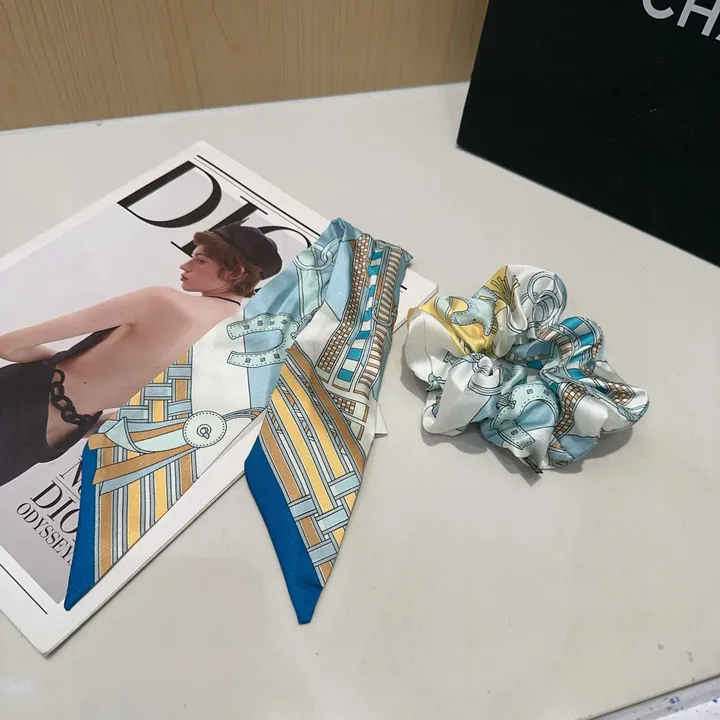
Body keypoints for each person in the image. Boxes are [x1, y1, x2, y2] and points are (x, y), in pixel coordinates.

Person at [0, 223, 282, 488]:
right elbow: (138, 422)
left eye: (200, 260)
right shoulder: (232, 349)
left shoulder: (161, 301)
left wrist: (66, 364)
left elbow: (9, 345)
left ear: (234, 273)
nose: (185, 265)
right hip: (50, 440)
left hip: (19, 399)